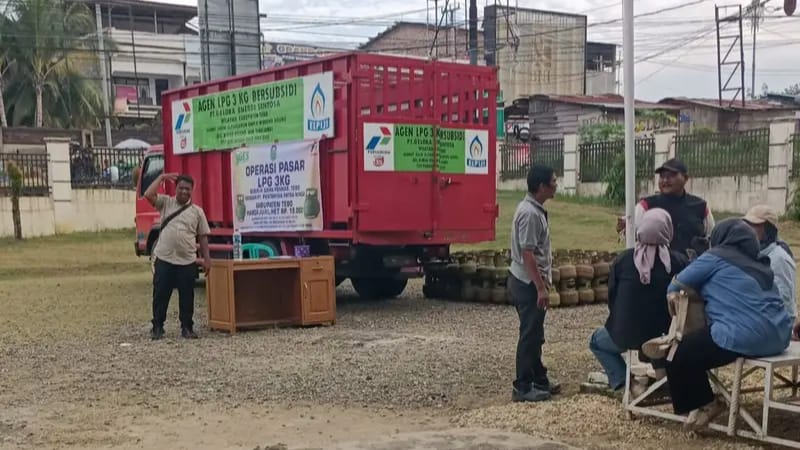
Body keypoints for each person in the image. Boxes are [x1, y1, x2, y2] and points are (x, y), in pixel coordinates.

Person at [663, 218, 791, 430]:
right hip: (779, 337)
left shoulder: (715, 257)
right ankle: (701, 402)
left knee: (677, 353)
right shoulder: (761, 263)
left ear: (721, 238)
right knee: (698, 348)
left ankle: (706, 403)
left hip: (742, 336)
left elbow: (674, 287)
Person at [589, 208, 688, 392]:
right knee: (657, 328)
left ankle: (625, 384)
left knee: (596, 341)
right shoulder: (679, 262)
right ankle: (662, 374)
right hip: (666, 337)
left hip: (626, 333)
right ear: (668, 230)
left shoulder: (624, 260)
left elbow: (612, 298)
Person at [508, 164, 560, 403]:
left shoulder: (533, 209)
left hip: (529, 280)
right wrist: (540, 287)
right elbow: (528, 254)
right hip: (527, 282)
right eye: (553, 180)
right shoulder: (529, 213)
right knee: (529, 334)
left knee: (536, 333)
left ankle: (539, 377)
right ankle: (523, 385)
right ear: (542, 186)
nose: (556, 184)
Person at [144, 172, 211, 340]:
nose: (184, 192)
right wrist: (162, 177)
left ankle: (187, 327)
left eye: (187, 189)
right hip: (165, 258)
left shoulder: (197, 212)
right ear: (176, 188)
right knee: (160, 294)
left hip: (187, 260)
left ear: (192, 191)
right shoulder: (165, 203)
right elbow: (148, 194)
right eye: (181, 188)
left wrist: (206, 260)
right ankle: (157, 326)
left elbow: (203, 236)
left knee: (187, 295)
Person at [617, 158, 715, 258]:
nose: (665, 180)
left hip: (692, 268)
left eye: (671, 176)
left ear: (685, 178)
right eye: (662, 176)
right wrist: (624, 227)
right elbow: (629, 234)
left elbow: (712, 238)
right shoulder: (646, 205)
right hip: (655, 269)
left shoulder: (701, 206)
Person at [743, 204, 797, 323]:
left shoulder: (779, 259)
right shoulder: (754, 254)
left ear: (768, 229)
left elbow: (785, 303)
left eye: (755, 225)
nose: (748, 229)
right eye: (747, 224)